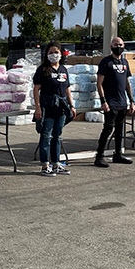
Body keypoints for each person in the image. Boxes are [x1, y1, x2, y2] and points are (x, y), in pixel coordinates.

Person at [33, 42, 76, 176]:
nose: (54, 55)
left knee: (57, 136)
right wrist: (38, 107)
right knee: (46, 135)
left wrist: (71, 105)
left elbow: (67, 89)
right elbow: (36, 89)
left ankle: (56, 163)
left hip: (61, 107)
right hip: (48, 105)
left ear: (61, 53)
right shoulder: (43, 69)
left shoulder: (63, 69)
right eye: (51, 52)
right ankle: (45, 164)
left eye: (56, 52)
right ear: (46, 55)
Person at [94, 37, 135, 168]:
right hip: (110, 102)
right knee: (107, 129)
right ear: (111, 46)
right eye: (116, 45)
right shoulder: (105, 62)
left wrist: (131, 101)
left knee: (119, 130)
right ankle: (99, 156)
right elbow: (99, 83)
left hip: (122, 102)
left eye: (121, 44)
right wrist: (103, 101)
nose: (119, 46)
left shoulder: (125, 62)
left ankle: (118, 154)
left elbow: (127, 83)